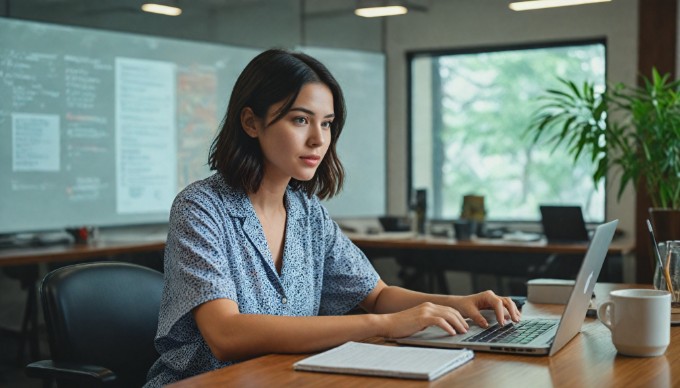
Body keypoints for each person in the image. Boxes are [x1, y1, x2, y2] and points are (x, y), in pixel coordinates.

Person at [145, 48, 521, 387]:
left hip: (284, 379)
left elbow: (377, 296)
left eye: (326, 123)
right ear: (251, 122)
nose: (318, 140)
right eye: (300, 120)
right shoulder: (200, 207)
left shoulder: (308, 213)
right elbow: (226, 335)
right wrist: (384, 326)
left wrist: (460, 304)